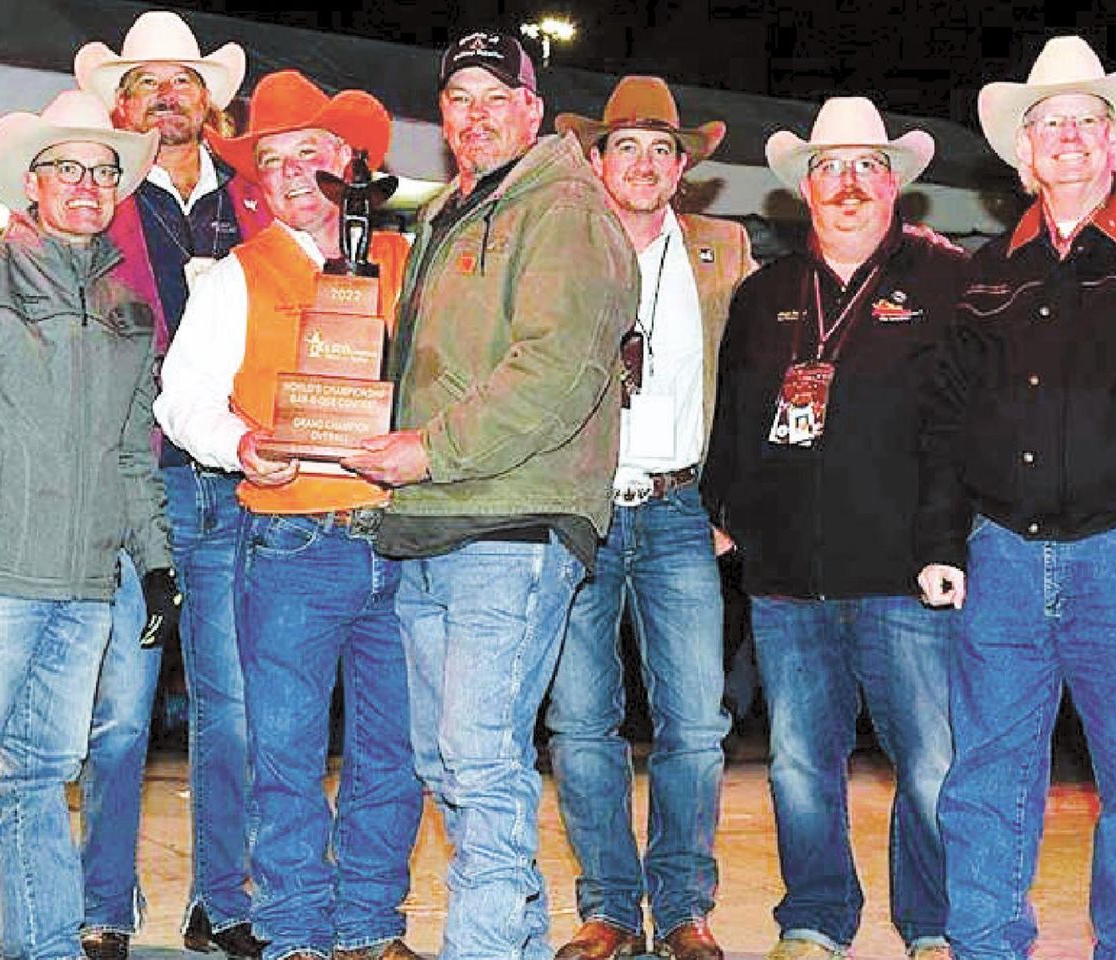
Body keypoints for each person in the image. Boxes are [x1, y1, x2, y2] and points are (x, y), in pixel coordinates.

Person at [342, 30, 638, 960]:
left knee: (477, 757)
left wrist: (426, 451)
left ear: (532, 110)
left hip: (510, 522)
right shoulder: (452, 215)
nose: (473, 116)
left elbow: (553, 372)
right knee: (452, 761)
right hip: (432, 521)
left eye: (493, 97)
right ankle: (510, 935)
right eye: (458, 99)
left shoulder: (564, 212)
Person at [155, 69, 422, 960]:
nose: (295, 171)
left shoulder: (407, 265)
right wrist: (241, 444)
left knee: (396, 753)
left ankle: (371, 926)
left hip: (402, 538)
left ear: (351, 161)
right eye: (273, 159)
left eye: (312, 151)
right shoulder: (236, 274)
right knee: (286, 756)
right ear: (256, 182)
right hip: (292, 537)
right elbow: (181, 398)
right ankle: (296, 931)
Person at [701, 97, 965, 960]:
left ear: (895, 184)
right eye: (829, 168)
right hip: (788, 580)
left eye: (866, 166)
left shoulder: (947, 280)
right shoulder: (765, 292)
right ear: (803, 187)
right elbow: (735, 419)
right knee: (798, 768)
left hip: (905, 576)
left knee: (930, 766)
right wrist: (724, 511)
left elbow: (964, 428)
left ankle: (933, 925)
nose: (847, 184)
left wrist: (945, 544)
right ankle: (814, 921)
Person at [917, 35, 1116, 960]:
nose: (1070, 137)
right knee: (987, 776)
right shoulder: (985, 274)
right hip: (1000, 554)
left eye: (1089, 121)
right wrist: (939, 540)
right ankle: (986, 946)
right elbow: (945, 419)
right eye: (1051, 124)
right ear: (1024, 152)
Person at [73, 12, 272, 958]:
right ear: (122, 103)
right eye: (146, 81)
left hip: (239, 487)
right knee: (119, 713)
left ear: (209, 101)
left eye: (182, 80)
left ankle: (220, 901)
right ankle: (105, 903)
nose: (165, 95)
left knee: (233, 710)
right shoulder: (94, 203)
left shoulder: (260, 204)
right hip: (134, 486)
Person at [546, 76, 753, 960]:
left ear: (683, 168)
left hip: (679, 511)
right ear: (596, 162)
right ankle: (608, 911)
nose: (643, 163)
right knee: (580, 722)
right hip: (583, 511)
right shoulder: (558, 247)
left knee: (696, 725)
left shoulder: (723, 248)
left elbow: (753, 382)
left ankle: (683, 911)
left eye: (661, 149)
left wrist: (733, 506)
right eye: (625, 146)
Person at [0, 89, 168, 960]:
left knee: (39, 775)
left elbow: (132, 455)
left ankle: (46, 947)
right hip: (1, 576)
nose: (89, 183)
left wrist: (160, 565)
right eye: (68, 167)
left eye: (104, 171)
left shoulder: (128, 309)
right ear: (32, 183)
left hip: (86, 588)